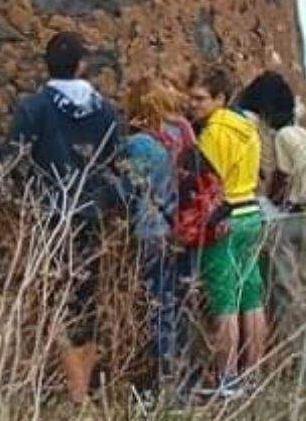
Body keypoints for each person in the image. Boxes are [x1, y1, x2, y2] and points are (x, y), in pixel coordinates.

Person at [10, 31, 122, 406]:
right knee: (86, 305)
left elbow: (17, 162)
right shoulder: (105, 110)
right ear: (82, 65)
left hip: (51, 217)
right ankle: (82, 390)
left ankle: (75, 396)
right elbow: (114, 164)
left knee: (56, 303)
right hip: (91, 216)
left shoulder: (34, 108)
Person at [235, 70, 306, 377]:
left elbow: (279, 176)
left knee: (287, 291)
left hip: (282, 219)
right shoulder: (296, 126)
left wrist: (272, 199)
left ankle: (303, 365)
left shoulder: (265, 132)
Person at [187, 67, 264, 398]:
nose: (194, 105)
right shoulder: (248, 127)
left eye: (201, 98)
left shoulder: (212, 134)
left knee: (225, 302)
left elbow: (210, 185)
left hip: (227, 217)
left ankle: (228, 377)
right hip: (252, 212)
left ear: (220, 98)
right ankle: (254, 374)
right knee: (252, 298)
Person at [118, 75, 189, 394]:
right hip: (166, 229)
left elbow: (126, 189)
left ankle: (158, 382)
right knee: (167, 307)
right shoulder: (166, 144)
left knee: (153, 307)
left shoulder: (137, 146)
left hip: (146, 231)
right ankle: (170, 377)